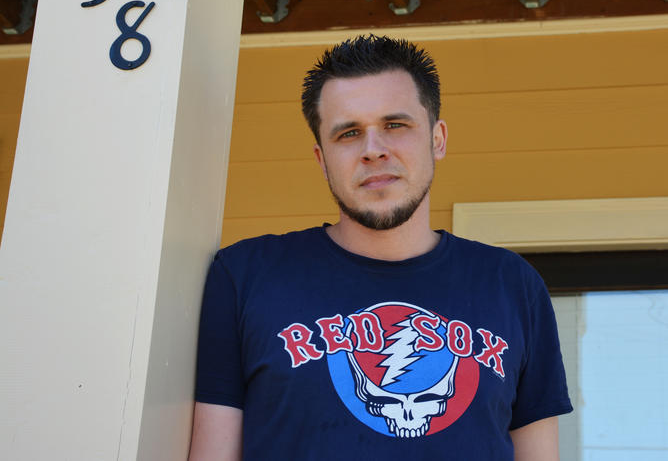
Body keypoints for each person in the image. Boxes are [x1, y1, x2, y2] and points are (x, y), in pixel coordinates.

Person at [189, 35, 572, 460]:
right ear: (321, 158)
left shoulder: (513, 285)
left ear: (438, 139)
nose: (373, 150)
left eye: (395, 125)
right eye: (349, 133)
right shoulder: (245, 277)